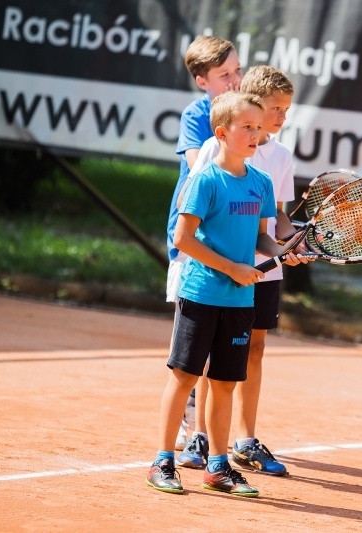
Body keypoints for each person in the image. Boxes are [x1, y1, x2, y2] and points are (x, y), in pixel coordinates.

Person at [146, 91, 297, 497]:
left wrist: (283, 252)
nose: (255, 133)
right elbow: (183, 239)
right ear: (222, 132)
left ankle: (218, 465)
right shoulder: (205, 181)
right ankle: (162, 460)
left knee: (226, 382)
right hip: (200, 293)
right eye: (246, 127)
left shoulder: (262, 184)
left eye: (258, 127)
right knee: (185, 377)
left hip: (239, 303)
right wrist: (232, 268)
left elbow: (262, 238)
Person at [163, 35, 244, 451]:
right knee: (189, 347)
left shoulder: (247, 117)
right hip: (191, 242)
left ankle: (206, 433)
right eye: (224, 74)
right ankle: (183, 423)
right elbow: (202, 170)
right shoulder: (197, 116)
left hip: (233, 245)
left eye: (237, 70)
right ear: (202, 81)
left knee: (219, 349)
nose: (235, 80)